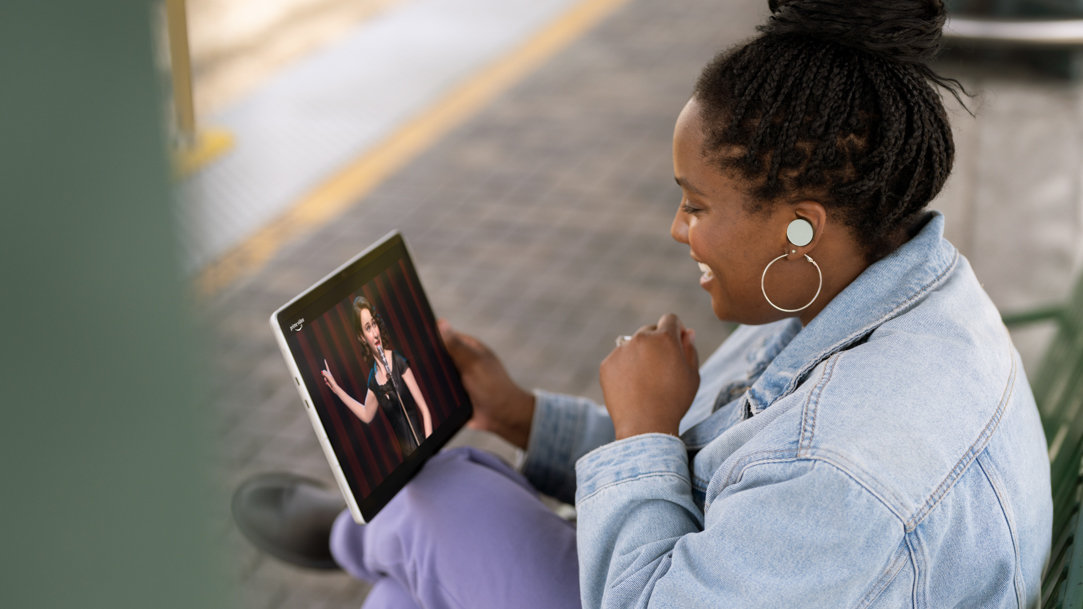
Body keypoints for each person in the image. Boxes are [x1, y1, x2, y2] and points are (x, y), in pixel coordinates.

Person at [233, 1, 1053, 606]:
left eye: (695, 205)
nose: (675, 230)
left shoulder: (844, 470)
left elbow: (692, 508)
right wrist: (519, 413)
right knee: (415, 578)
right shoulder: (883, 296)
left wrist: (645, 429)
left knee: (437, 499)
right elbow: (717, 482)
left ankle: (361, 538)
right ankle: (373, 548)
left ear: (802, 224)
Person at [322, 296, 434, 455]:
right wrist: (337, 389)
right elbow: (367, 415)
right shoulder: (373, 380)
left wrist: (430, 448)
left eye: (374, 324)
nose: (375, 333)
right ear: (361, 337)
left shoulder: (398, 361)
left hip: (425, 451)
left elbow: (424, 409)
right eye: (368, 328)